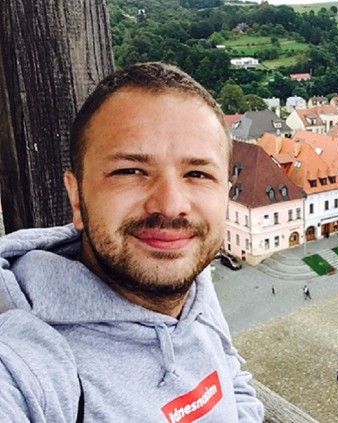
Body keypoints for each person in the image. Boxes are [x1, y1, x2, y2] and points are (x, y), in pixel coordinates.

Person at [0, 63, 264, 422]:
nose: (171, 205)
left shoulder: (192, 276)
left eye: (198, 174)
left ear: (225, 194)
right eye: (130, 171)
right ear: (76, 198)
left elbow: (231, 376)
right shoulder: (27, 364)